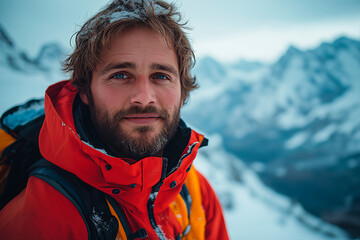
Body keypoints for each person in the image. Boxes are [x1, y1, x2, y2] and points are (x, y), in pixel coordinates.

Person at [0, 0, 229, 239]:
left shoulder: (194, 191)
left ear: (182, 92)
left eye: (160, 76)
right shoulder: (47, 216)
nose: (144, 98)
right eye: (120, 75)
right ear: (86, 91)